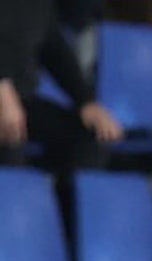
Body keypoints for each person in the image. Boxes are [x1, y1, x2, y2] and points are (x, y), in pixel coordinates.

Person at [0, 0, 124, 173]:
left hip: (22, 100)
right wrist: (3, 89)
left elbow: (54, 49)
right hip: (4, 99)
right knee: (11, 140)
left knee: (90, 139)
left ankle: (62, 199)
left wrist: (87, 102)